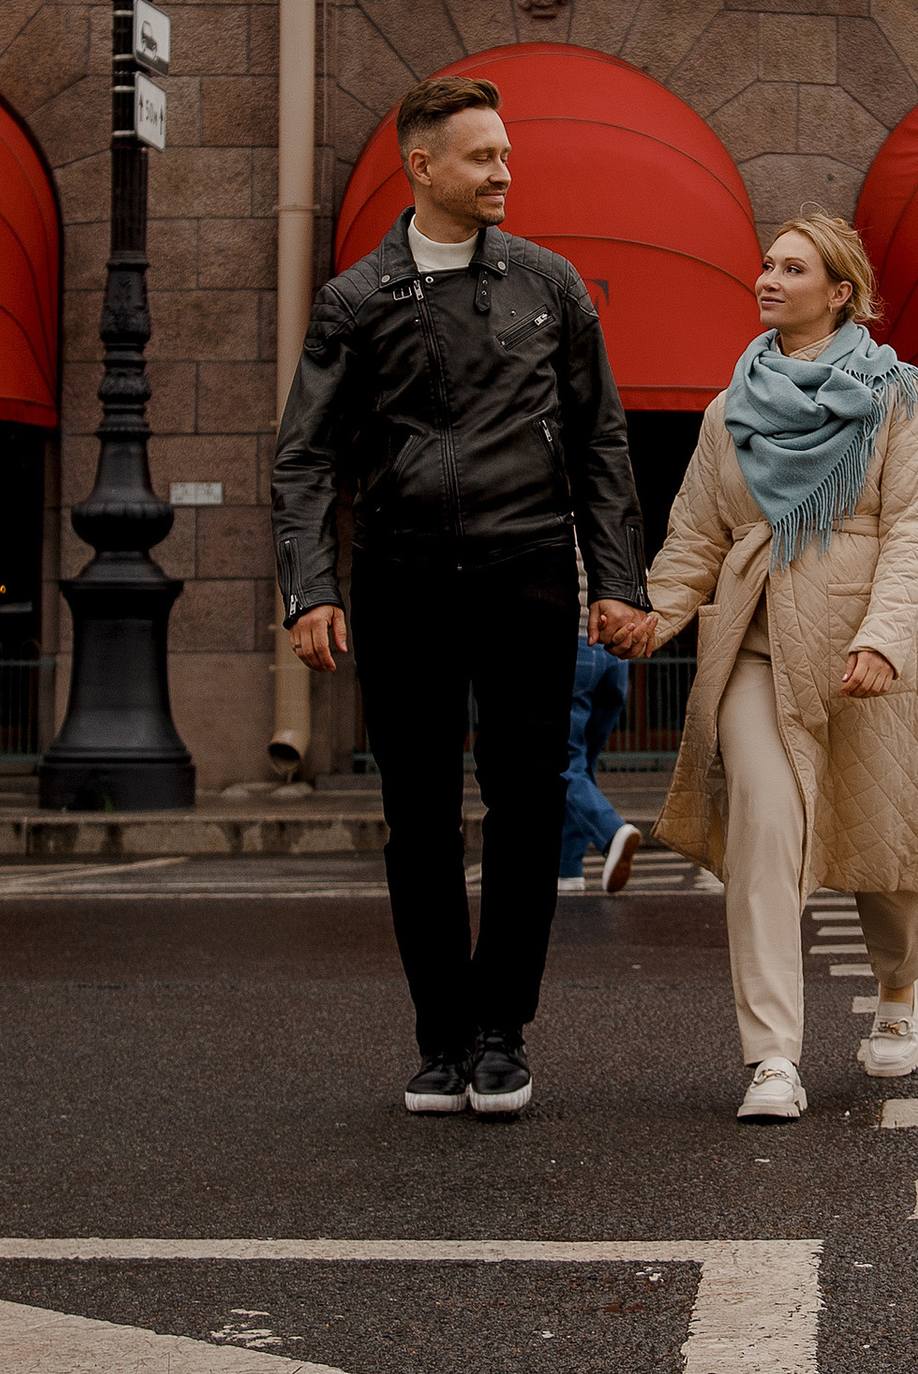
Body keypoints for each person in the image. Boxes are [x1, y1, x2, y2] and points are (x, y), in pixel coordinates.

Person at [271, 71, 653, 1121]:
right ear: (422, 164)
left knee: (528, 808)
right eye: (483, 157)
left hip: (527, 570)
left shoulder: (549, 285)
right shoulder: (356, 301)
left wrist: (616, 584)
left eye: (506, 154)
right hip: (399, 581)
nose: (504, 172)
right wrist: (309, 588)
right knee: (419, 817)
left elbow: (599, 440)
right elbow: (303, 459)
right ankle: (440, 1039)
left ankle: (502, 1033)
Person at [639, 213, 918, 1121]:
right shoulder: (728, 408)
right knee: (764, 833)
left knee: (881, 848)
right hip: (752, 640)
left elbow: (909, 532)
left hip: (864, 646)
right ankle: (772, 1057)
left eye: (793, 267)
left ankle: (899, 991)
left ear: (841, 292)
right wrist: (651, 618)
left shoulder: (900, 401)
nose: (768, 280)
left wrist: (884, 638)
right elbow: (696, 534)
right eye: (766, 265)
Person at [558, 634, 644, 897]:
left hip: (572, 648)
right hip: (615, 656)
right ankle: (568, 869)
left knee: (560, 761)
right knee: (580, 767)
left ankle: (612, 831)